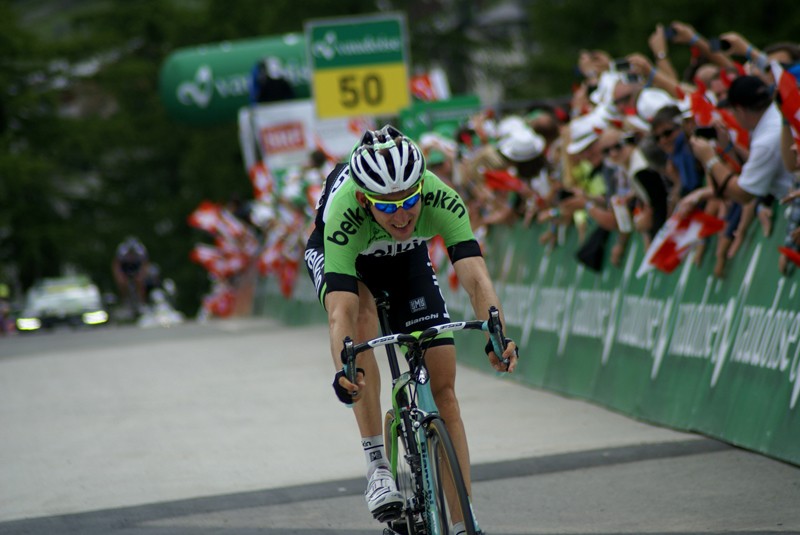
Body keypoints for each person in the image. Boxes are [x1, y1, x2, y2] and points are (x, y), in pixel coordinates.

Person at [303, 125, 519, 530]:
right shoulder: (344, 212)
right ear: (366, 199)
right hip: (348, 262)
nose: (401, 215)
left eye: (410, 201)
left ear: (422, 187)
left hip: (406, 260)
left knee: (444, 388)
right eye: (387, 206)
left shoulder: (442, 197)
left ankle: (462, 521)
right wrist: (344, 370)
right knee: (363, 317)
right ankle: (378, 466)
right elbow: (341, 314)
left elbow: (476, 278)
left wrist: (497, 336)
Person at [112, 236, 149, 316]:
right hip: (125, 267)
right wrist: (120, 277)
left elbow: (144, 265)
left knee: (140, 282)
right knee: (122, 283)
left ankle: (142, 303)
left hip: (136, 267)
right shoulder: (121, 251)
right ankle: (125, 301)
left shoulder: (141, 250)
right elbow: (116, 266)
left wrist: (141, 275)